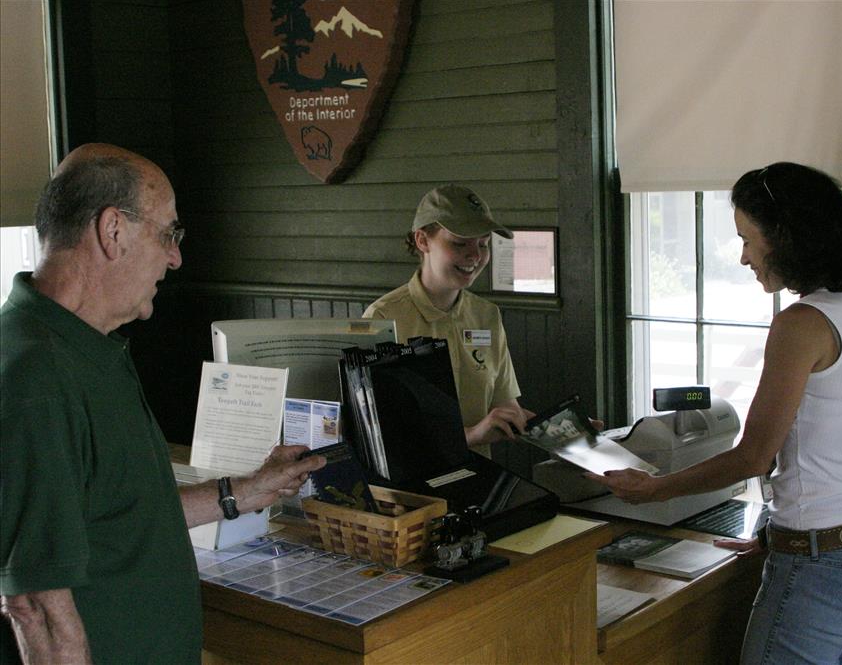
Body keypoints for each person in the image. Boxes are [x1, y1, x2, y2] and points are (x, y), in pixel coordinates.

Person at [0, 144, 326, 664]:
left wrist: (245, 491)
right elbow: (34, 602)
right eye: (168, 235)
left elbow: (123, 513)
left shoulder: (87, 346)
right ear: (113, 231)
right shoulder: (36, 376)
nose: (175, 258)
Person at [586, 162, 842, 664]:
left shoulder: (801, 324)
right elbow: (830, 448)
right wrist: (775, 531)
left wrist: (654, 489)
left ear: (787, 238)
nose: (743, 257)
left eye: (747, 240)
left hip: (819, 564)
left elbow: (754, 457)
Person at [363, 184, 529, 455]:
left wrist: (562, 432)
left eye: (483, 244)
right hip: (415, 480)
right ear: (422, 240)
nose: (475, 256)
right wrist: (470, 436)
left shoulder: (486, 315)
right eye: (459, 243)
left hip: (480, 475)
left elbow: (506, 407)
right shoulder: (382, 317)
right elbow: (379, 431)